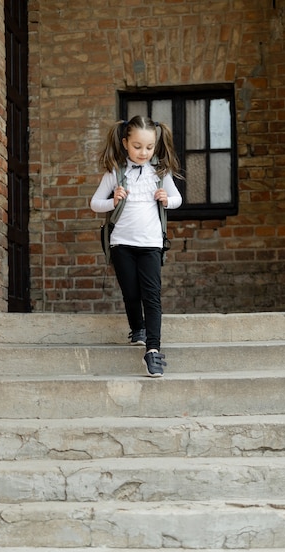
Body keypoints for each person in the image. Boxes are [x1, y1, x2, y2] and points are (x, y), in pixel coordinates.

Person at [91, 115, 182, 377]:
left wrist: (166, 199)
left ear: (156, 146)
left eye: (149, 147)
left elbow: (178, 199)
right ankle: (137, 327)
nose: (143, 152)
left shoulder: (160, 172)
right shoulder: (116, 172)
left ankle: (153, 351)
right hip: (121, 243)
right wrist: (113, 200)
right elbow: (95, 203)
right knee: (131, 292)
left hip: (151, 243)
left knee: (151, 297)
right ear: (125, 143)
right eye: (137, 146)